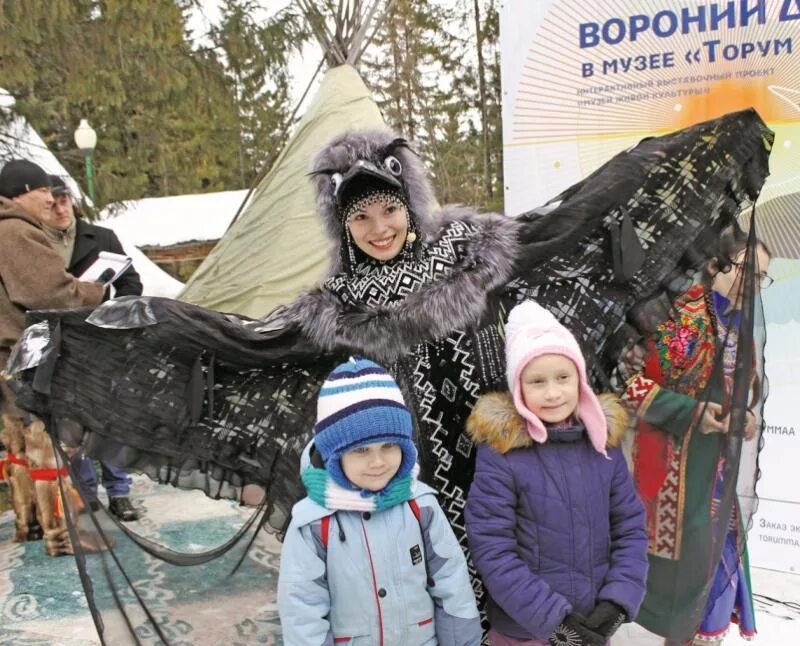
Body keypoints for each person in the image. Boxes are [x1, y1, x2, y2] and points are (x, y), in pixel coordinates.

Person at [3, 110, 773, 641]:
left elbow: (576, 222)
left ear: (411, 201)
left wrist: (700, 155)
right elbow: (238, 344)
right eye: (359, 218)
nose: (379, 228)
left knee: (527, 612)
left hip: (509, 471)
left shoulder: (480, 252)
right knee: (444, 610)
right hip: (419, 495)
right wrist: (93, 336)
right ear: (342, 225)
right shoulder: (331, 310)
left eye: (388, 209)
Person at [465, 301, 648, 646]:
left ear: (579, 377)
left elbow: (630, 528)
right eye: (537, 381)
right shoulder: (502, 453)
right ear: (519, 388)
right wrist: (554, 619)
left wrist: (617, 600)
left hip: (593, 625)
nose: (552, 393)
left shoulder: (602, 446)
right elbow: (492, 548)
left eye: (563, 377)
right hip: (525, 630)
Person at [623, 225, 770, 644]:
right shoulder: (678, 317)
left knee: (716, 565)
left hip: (715, 474)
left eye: (762, 277)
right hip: (672, 474)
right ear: (713, 265)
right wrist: (693, 412)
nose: (754, 285)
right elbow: (630, 387)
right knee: (679, 580)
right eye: (747, 271)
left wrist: (743, 417)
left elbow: (740, 389)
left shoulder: (739, 327)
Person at [277, 356, 481, 645]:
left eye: (388, 446)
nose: (377, 462)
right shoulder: (313, 522)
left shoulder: (420, 505)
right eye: (361, 451)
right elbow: (301, 608)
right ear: (335, 456)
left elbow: (451, 582)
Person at [0, 159, 105, 543]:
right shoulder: (15, 232)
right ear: (19, 194)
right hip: (28, 357)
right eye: (42, 190)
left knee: (20, 449)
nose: (50, 198)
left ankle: (28, 523)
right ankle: (62, 536)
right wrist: (95, 291)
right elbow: (51, 294)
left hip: (7, 358)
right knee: (47, 446)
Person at [41, 175, 143, 522]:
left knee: (108, 419)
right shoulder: (33, 244)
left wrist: (115, 313)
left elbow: (131, 283)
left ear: (71, 200)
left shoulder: (101, 238)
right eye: (51, 204)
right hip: (56, 345)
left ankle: (120, 491)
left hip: (101, 341)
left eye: (63, 201)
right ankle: (85, 493)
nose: (59, 210)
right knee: (69, 421)